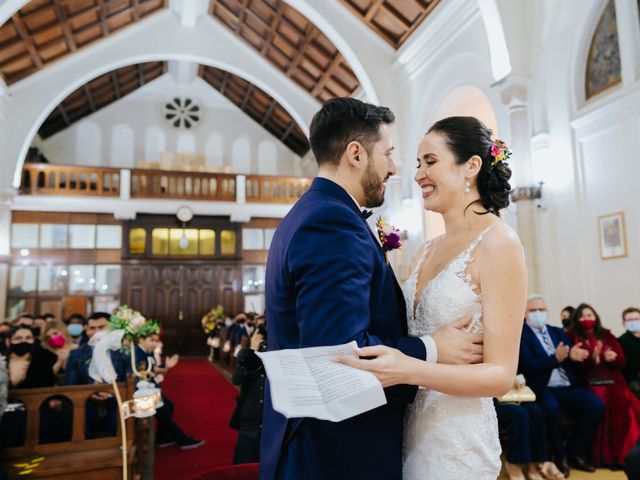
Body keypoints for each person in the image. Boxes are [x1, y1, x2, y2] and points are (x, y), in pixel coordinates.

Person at [262, 100, 484, 480]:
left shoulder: (312, 212)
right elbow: (342, 354)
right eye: (389, 154)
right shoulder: (332, 222)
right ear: (356, 154)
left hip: (324, 438)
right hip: (335, 449)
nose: (395, 169)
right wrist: (434, 348)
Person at [337, 115, 527, 480]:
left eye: (431, 161)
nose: (418, 174)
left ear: (471, 166)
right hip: (405, 429)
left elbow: (501, 375)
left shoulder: (499, 243)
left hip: (456, 441)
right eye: (418, 164)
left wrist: (408, 367)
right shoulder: (426, 249)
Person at [518, 295, 603, 476]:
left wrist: (574, 356)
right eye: (533, 310)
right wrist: (554, 359)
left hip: (566, 385)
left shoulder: (557, 331)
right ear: (524, 314)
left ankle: (575, 451)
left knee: (595, 405)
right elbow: (526, 365)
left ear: (547, 312)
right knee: (552, 409)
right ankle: (559, 457)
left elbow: (570, 355)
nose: (538, 313)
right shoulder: (521, 335)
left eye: (541, 310)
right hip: (542, 387)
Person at [567, 303, 640, 469]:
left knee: (623, 402)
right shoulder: (572, 336)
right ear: (577, 319)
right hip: (588, 382)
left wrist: (611, 358)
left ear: (596, 317)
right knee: (601, 400)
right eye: (582, 316)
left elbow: (621, 362)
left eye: (590, 315)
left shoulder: (606, 335)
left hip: (613, 380)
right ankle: (605, 457)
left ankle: (624, 455)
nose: (587, 319)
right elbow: (573, 370)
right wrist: (592, 360)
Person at [64, 312, 129, 438]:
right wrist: (91, 392)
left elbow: (130, 380)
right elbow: (70, 384)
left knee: (120, 415)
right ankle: (85, 453)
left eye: (102, 327)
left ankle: (119, 451)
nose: (97, 332)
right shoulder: (77, 354)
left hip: (117, 401)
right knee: (73, 413)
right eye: (93, 328)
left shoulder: (123, 352)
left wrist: (111, 392)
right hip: (87, 401)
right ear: (86, 331)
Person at [134, 332, 204, 450]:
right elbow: (146, 371)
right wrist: (166, 368)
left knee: (169, 407)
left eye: (156, 341)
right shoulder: (138, 352)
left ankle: (162, 438)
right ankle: (182, 439)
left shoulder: (147, 351)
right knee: (164, 411)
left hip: (151, 387)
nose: (155, 344)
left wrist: (166, 368)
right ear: (141, 340)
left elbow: (152, 369)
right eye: (152, 341)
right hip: (143, 391)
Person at [230, 326, 266, 464]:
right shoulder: (250, 353)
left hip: (270, 423)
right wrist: (252, 350)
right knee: (242, 466)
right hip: (250, 423)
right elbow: (237, 379)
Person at [619, 307, 640, 398]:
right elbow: (628, 366)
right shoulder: (621, 341)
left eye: (636, 319)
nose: (633, 322)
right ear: (624, 323)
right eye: (630, 320)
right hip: (633, 379)